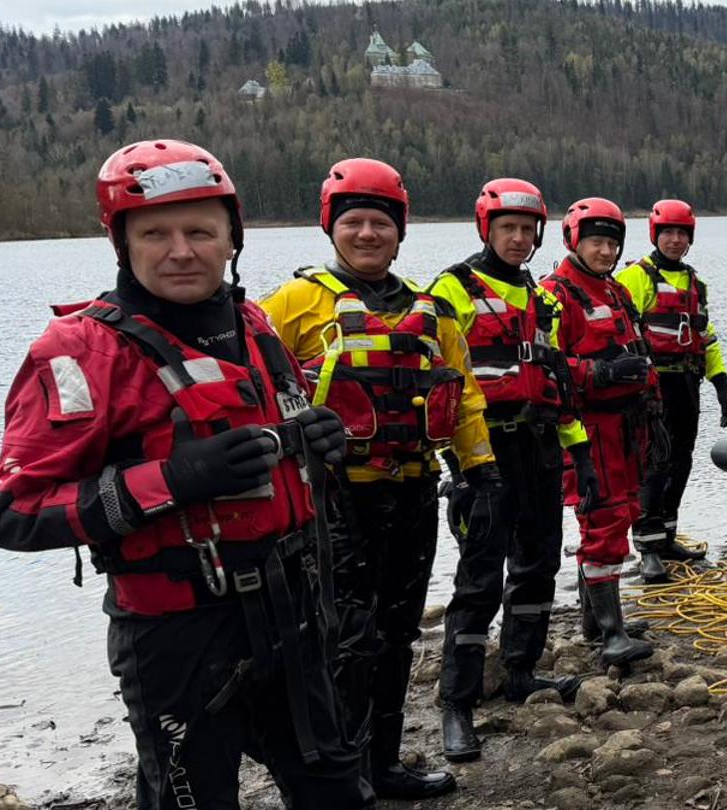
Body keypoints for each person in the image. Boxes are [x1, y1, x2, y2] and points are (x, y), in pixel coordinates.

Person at [0, 139, 369, 808]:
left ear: (232, 238)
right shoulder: (79, 352)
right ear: (121, 243)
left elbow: (282, 444)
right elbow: (15, 512)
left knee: (337, 790)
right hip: (175, 637)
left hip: (292, 614)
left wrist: (316, 439)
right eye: (155, 234)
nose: (181, 251)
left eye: (200, 231)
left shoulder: (254, 325)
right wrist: (175, 479)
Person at [261, 157, 491, 798]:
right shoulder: (293, 304)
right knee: (345, 638)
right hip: (333, 497)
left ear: (400, 232)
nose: (368, 234)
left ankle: (382, 763)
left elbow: (465, 397)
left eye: (381, 224)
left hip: (412, 490)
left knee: (397, 632)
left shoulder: (431, 311)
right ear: (331, 227)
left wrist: (480, 471)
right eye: (354, 222)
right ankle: (345, 773)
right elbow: (251, 385)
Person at [427, 178, 595, 763]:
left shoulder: (541, 296)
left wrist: (581, 454)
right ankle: (457, 700)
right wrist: (456, 465)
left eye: (527, 230)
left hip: (540, 445)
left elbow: (557, 381)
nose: (518, 239)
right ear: (487, 228)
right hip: (484, 453)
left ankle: (521, 669)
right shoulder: (451, 289)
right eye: (508, 229)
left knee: (539, 562)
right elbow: (439, 383)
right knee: (479, 577)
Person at [541, 197, 659, 669]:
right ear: (574, 240)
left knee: (625, 510)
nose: (606, 251)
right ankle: (612, 635)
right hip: (590, 427)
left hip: (628, 424)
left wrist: (653, 406)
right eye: (596, 242)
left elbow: (640, 350)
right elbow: (546, 366)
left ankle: (596, 621)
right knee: (603, 520)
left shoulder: (616, 292)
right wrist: (600, 373)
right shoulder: (556, 295)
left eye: (612, 243)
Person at [616, 199, 727, 582]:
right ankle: (648, 548)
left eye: (682, 233)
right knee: (655, 464)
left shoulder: (695, 283)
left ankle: (667, 537)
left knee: (681, 461)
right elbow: (619, 333)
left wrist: (721, 386)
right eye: (667, 232)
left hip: (686, 383)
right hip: (651, 387)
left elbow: (706, 338)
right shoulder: (636, 277)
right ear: (655, 235)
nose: (675, 240)